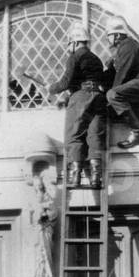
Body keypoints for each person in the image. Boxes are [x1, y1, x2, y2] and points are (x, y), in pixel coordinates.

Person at [48, 23, 107, 188]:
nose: (69, 49)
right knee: (95, 136)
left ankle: (75, 177)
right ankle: (96, 178)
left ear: (73, 42)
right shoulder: (96, 59)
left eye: (69, 45)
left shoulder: (75, 57)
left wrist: (52, 89)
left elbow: (66, 82)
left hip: (81, 98)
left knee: (74, 135)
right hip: (99, 98)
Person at [102, 16, 139, 149]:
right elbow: (113, 74)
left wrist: (109, 98)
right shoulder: (121, 49)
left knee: (112, 95)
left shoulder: (129, 46)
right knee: (110, 98)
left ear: (117, 35)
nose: (107, 39)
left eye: (108, 35)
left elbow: (122, 75)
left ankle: (137, 132)